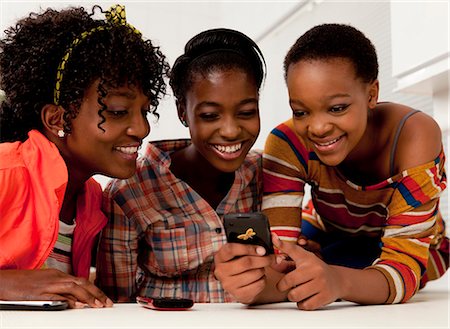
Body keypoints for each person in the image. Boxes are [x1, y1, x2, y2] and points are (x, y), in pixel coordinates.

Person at [213, 23, 448, 310]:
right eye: (300, 111)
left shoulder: (415, 136)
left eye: (337, 108)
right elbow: (280, 259)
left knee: (353, 264)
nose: (318, 127)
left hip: (410, 247)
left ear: (372, 94)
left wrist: (338, 280)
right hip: (327, 232)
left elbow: (404, 269)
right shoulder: (288, 142)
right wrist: (250, 283)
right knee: (314, 263)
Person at [0, 4, 169, 308]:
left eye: (144, 111)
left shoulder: (91, 199)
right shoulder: (6, 172)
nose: (141, 128)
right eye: (118, 112)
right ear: (56, 119)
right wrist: (7, 282)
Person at [95, 27, 266, 303]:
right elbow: (116, 304)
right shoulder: (128, 193)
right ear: (182, 112)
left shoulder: (262, 172)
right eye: (210, 115)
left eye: (246, 112)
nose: (231, 131)